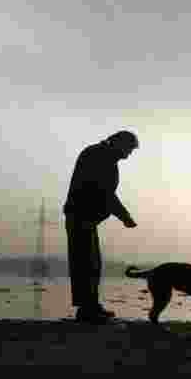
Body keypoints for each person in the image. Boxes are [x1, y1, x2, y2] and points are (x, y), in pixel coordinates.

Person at [63, 130, 139, 323]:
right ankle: (87, 310)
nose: (128, 155)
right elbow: (105, 192)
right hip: (81, 216)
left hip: (85, 217)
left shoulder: (103, 156)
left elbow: (105, 192)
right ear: (119, 143)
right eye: (128, 149)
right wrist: (125, 216)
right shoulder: (99, 156)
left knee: (91, 263)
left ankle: (90, 306)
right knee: (86, 263)